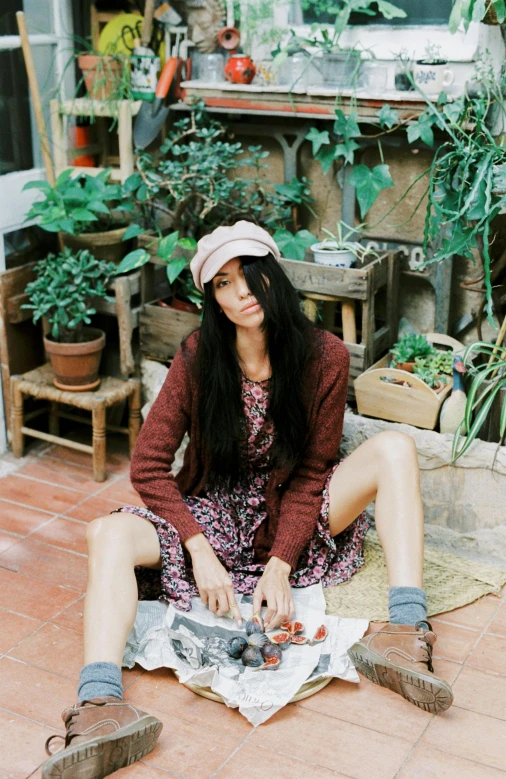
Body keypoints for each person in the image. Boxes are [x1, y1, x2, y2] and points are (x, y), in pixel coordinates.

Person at [42, 221, 453, 779]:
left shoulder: (325, 356)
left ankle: (404, 634)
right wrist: (198, 547)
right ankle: (99, 708)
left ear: (271, 274)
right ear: (212, 297)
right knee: (105, 532)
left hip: (293, 513)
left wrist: (282, 563)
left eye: (249, 276)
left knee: (395, 448)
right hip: (213, 513)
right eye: (223, 284)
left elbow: (312, 473)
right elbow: (147, 465)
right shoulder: (198, 356)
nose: (240, 294)